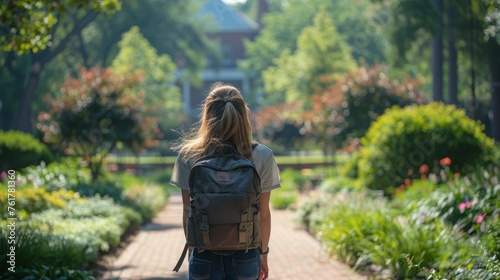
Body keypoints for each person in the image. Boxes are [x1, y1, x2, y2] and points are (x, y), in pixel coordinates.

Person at [170, 82, 280, 280]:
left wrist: (191, 250)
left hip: (204, 253)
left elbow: (188, 210)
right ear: (244, 115)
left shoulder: (189, 155)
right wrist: (263, 254)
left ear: (207, 115)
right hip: (246, 254)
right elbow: (263, 214)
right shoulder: (262, 156)